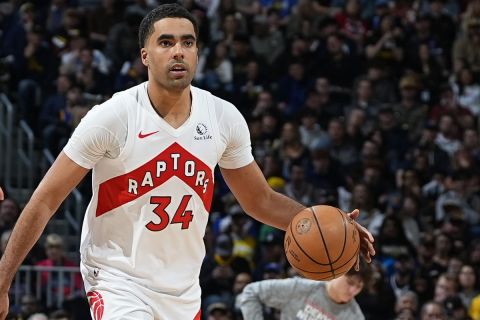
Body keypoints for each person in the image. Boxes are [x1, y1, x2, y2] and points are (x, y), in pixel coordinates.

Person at [0, 4, 375, 320]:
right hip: (117, 277)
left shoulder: (223, 118)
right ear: (145, 55)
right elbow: (46, 199)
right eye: (166, 42)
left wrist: (329, 226)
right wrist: (2, 282)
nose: (178, 50)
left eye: (187, 42)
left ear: (197, 53)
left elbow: (259, 201)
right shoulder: (112, 117)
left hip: (182, 287)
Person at [239, 261, 372, 319]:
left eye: (359, 287)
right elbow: (251, 291)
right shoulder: (300, 288)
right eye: (350, 283)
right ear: (337, 273)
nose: (353, 290)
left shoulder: (354, 316)